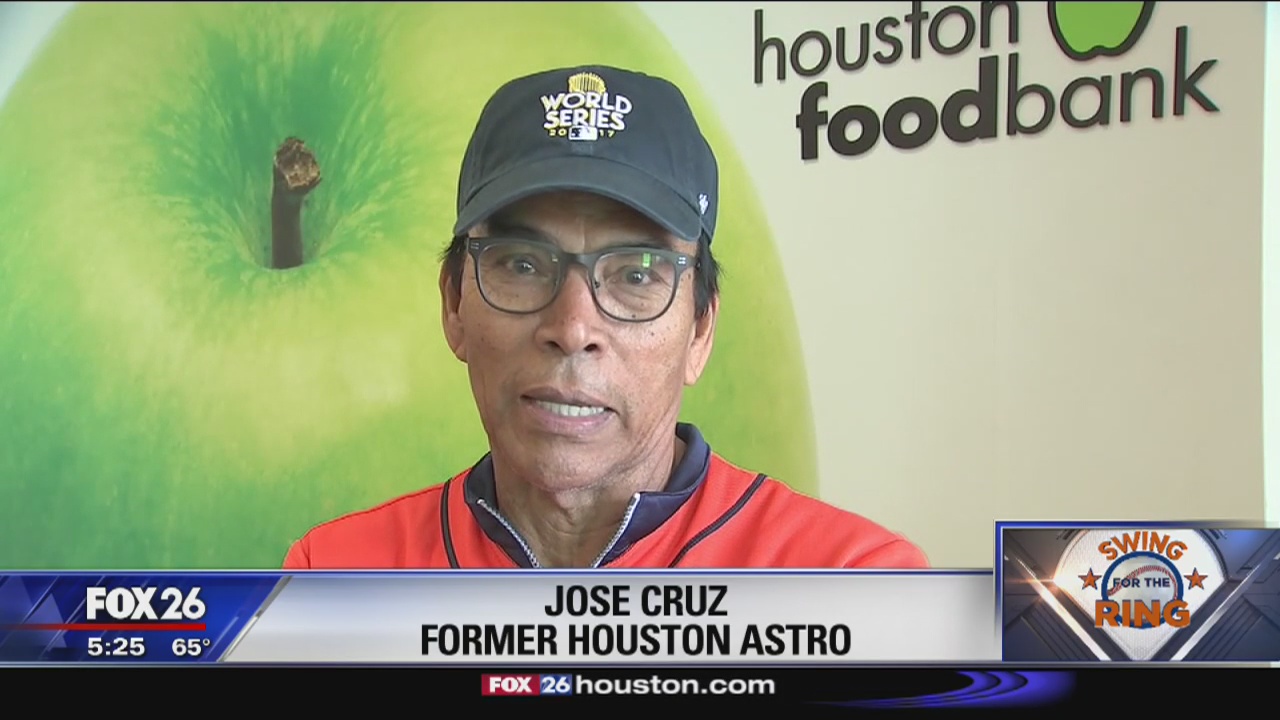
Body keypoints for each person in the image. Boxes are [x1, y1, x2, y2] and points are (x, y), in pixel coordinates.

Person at [283, 65, 927, 569]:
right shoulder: (334, 578)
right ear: (454, 303)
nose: (573, 327)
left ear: (700, 330)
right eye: (522, 264)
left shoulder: (854, 587)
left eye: (637, 274)